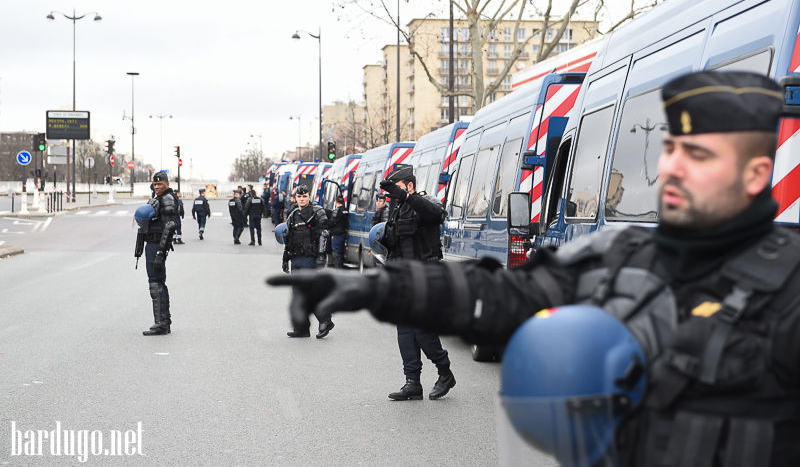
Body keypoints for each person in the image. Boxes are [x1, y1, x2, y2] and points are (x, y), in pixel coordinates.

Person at [269, 71, 800, 465]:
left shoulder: (790, 285)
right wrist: (382, 291)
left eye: (699, 155)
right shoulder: (624, 257)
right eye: (671, 149)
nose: (673, 167)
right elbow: (506, 295)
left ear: (756, 174)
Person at [376, 165, 455, 401]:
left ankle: (445, 372)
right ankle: (412, 382)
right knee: (405, 331)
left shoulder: (426, 203)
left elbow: (435, 214)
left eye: (398, 189)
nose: (395, 194)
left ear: (410, 186)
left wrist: (406, 197)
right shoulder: (397, 210)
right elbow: (394, 247)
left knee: (422, 330)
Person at [282, 184, 334, 339]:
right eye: (299, 196)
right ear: (295, 198)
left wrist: (321, 256)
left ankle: (325, 320)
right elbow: (288, 237)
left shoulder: (317, 212)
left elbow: (324, 235)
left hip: (310, 258)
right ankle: (302, 329)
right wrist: (285, 258)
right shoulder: (293, 213)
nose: (302, 199)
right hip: (296, 258)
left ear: (309, 197)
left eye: (304, 196)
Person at [139, 171, 177, 336]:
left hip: (157, 246)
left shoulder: (167, 199)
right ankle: (164, 321)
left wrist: (161, 252)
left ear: (167, 184)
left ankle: (161, 323)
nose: (157, 187)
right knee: (158, 282)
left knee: (156, 283)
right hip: (153, 244)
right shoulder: (159, 198)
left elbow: (169, 226)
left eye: (160, 184)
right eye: (155, 184)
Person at [328, 195, 348, 268]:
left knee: (336, 252)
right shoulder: (346, 210)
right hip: (343, 233)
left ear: (336, 202)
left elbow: (332, 222)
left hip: (337, 234)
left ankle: (337, 268)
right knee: (341, 252)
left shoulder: (337, 211)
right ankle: (340, 266)